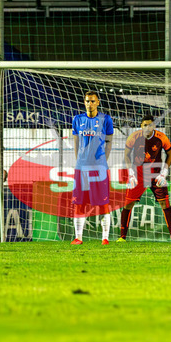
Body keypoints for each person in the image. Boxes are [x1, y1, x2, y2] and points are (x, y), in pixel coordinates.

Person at [119, 114, 171, 243]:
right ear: (141, 126)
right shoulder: (134, 137)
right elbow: (126, 154)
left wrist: (164, 172)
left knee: (165, 203)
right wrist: (130, 173)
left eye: (150, 125)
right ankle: (122, 237)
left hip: (155, 174)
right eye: (145, 125)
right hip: (138, 174)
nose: (147, 127)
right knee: (128, 204)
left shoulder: (161, 137)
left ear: (154, 126)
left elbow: (169, 154)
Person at [71, 91, 114, 245]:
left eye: (93, 101)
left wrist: (102, 161)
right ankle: (78, 237)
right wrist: (80, 161)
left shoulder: (106, 119)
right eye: (88, 101)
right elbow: (76, 142)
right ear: (84, 102)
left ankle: (105, 238)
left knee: (103, 203)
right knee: (79, 202)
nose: (90, 104)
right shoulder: (77, 119)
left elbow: (109, 142)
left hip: (99, 168)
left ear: (98, 102)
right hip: (81, 167)